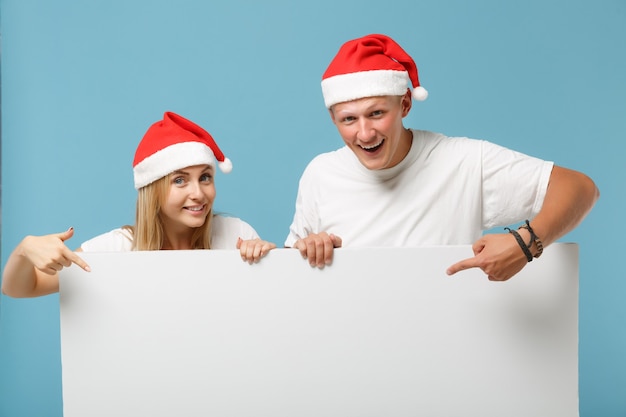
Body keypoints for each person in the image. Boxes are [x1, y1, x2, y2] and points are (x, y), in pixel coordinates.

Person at [285, 33, 599, 281]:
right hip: (349, 349)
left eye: (377, 113)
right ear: (333, 119)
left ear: (405, 104)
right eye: (349, 120)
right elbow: (289, 275)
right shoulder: (320, 174)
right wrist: (308, 250)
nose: (365, 134)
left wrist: (524, 244)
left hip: (447, 349)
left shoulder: (463, 161)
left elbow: (580, 188)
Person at [2, 111, 276, 298]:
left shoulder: (235, 236)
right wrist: (25, 250)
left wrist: (268, 262)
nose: (198, 193)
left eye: (205, 177)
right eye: (180, 181)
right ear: (153, 191)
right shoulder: (117, 249)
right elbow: (21, 288)